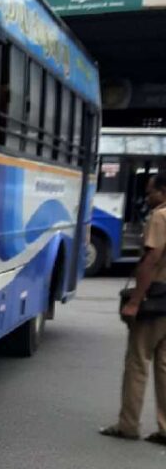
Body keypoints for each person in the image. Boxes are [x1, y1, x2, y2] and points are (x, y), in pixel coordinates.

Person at [100, 173, 166, 444]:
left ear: (163, 191)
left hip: (157, 298)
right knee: (164, 364)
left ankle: (128, 425)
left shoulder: (160, 217)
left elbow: (151, 259)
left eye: (151, 192)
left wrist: (135, 301)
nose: (147, 198)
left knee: (137, 361)